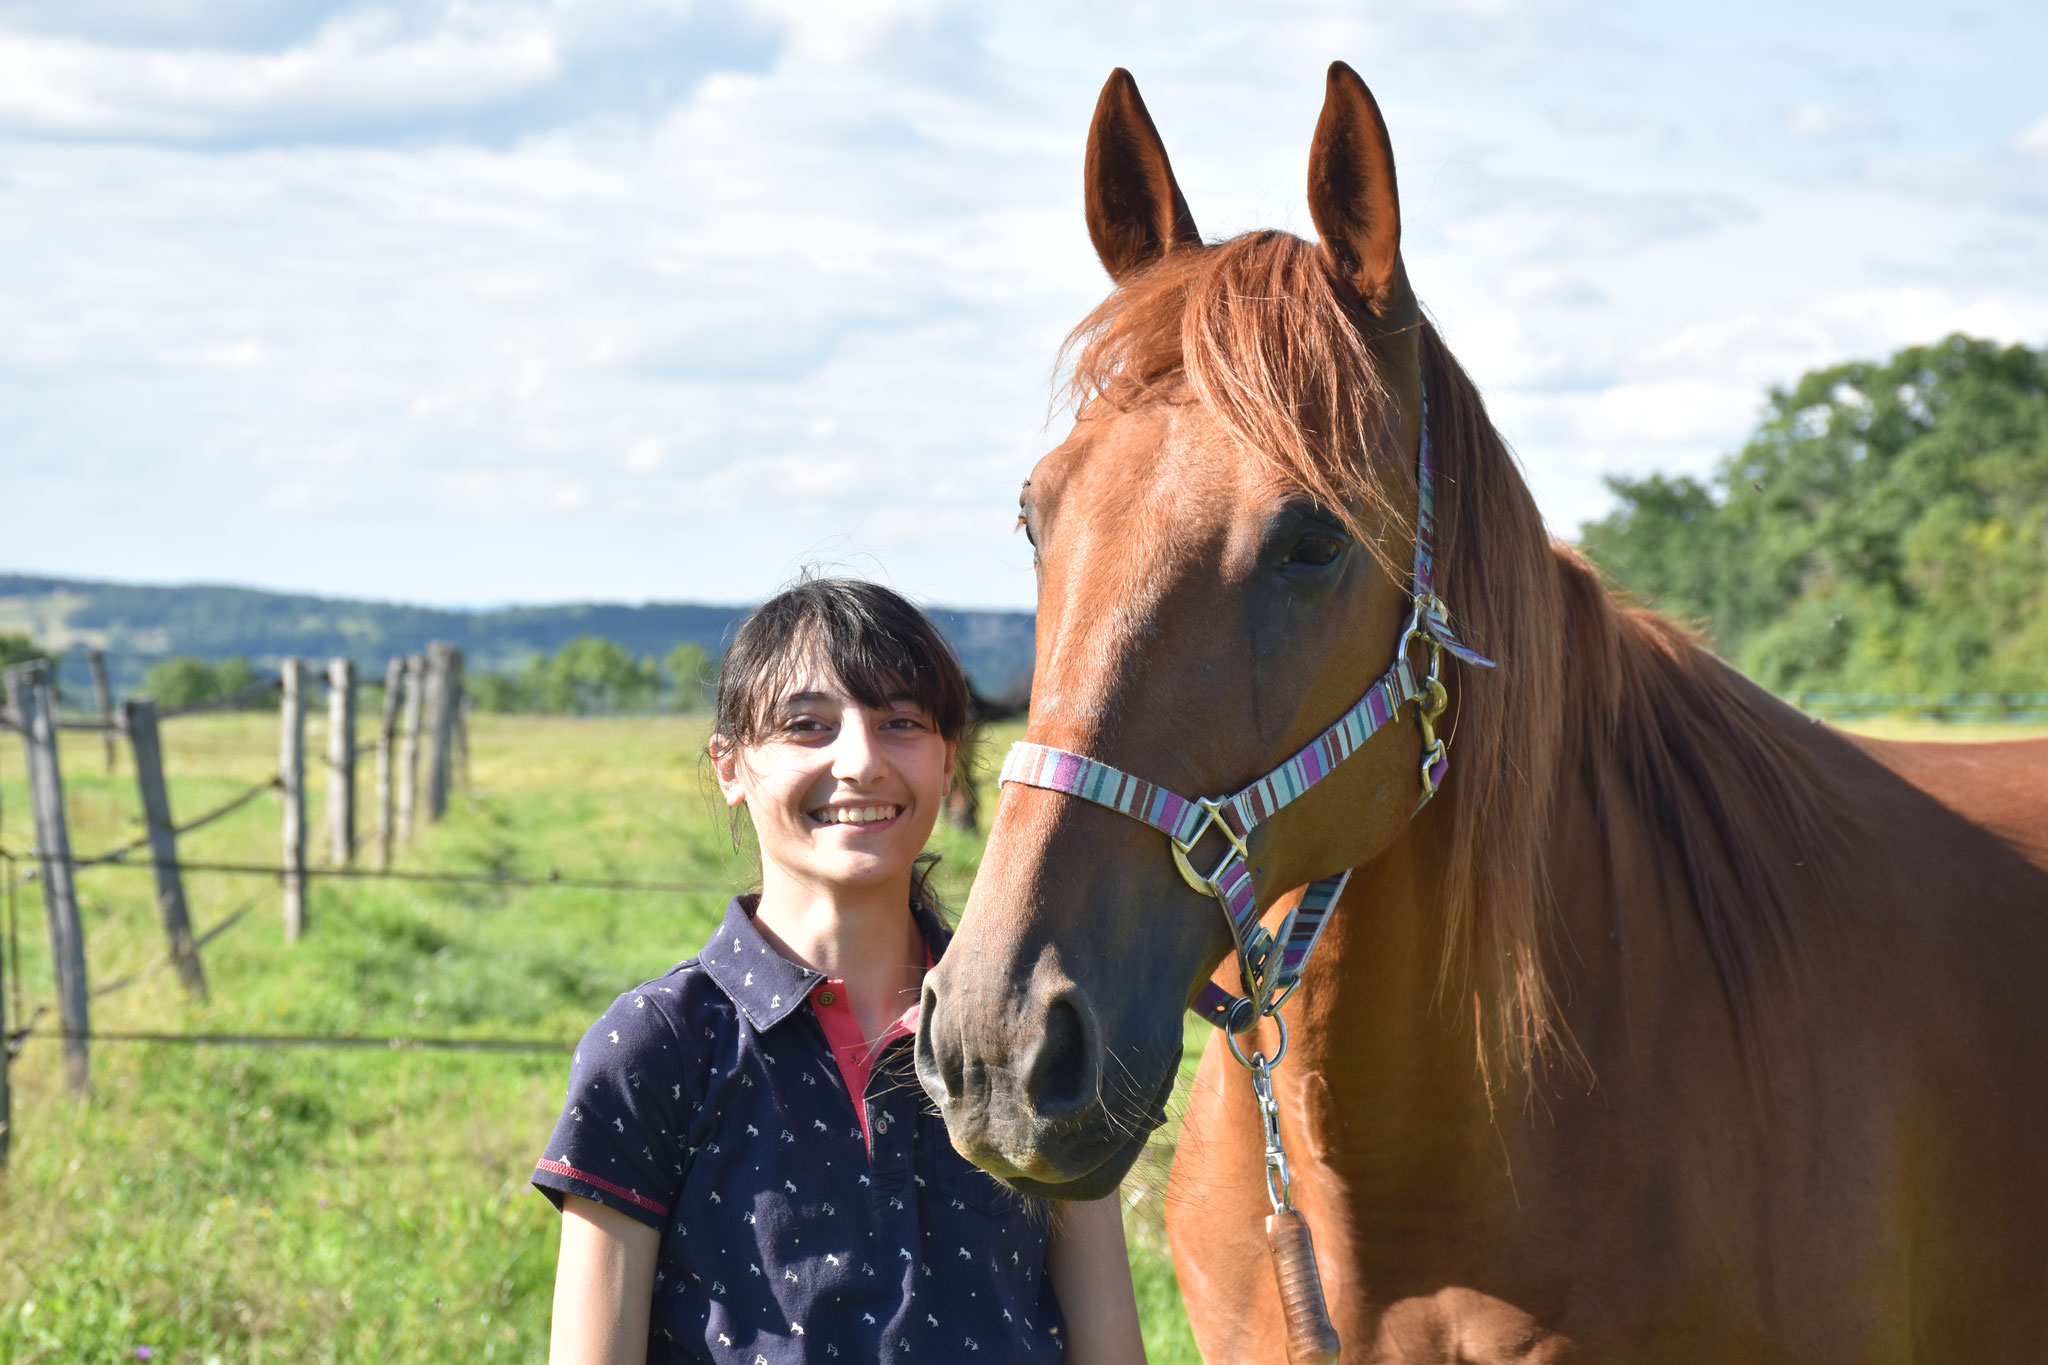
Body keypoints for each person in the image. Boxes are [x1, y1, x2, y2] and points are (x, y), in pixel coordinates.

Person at [534, 578, 1147, 1364]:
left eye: (900, 722)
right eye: (806, 726)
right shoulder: (656, 1048)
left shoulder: (1043, 1025)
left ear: (947, 756)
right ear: (729, 764)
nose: (859, 761)